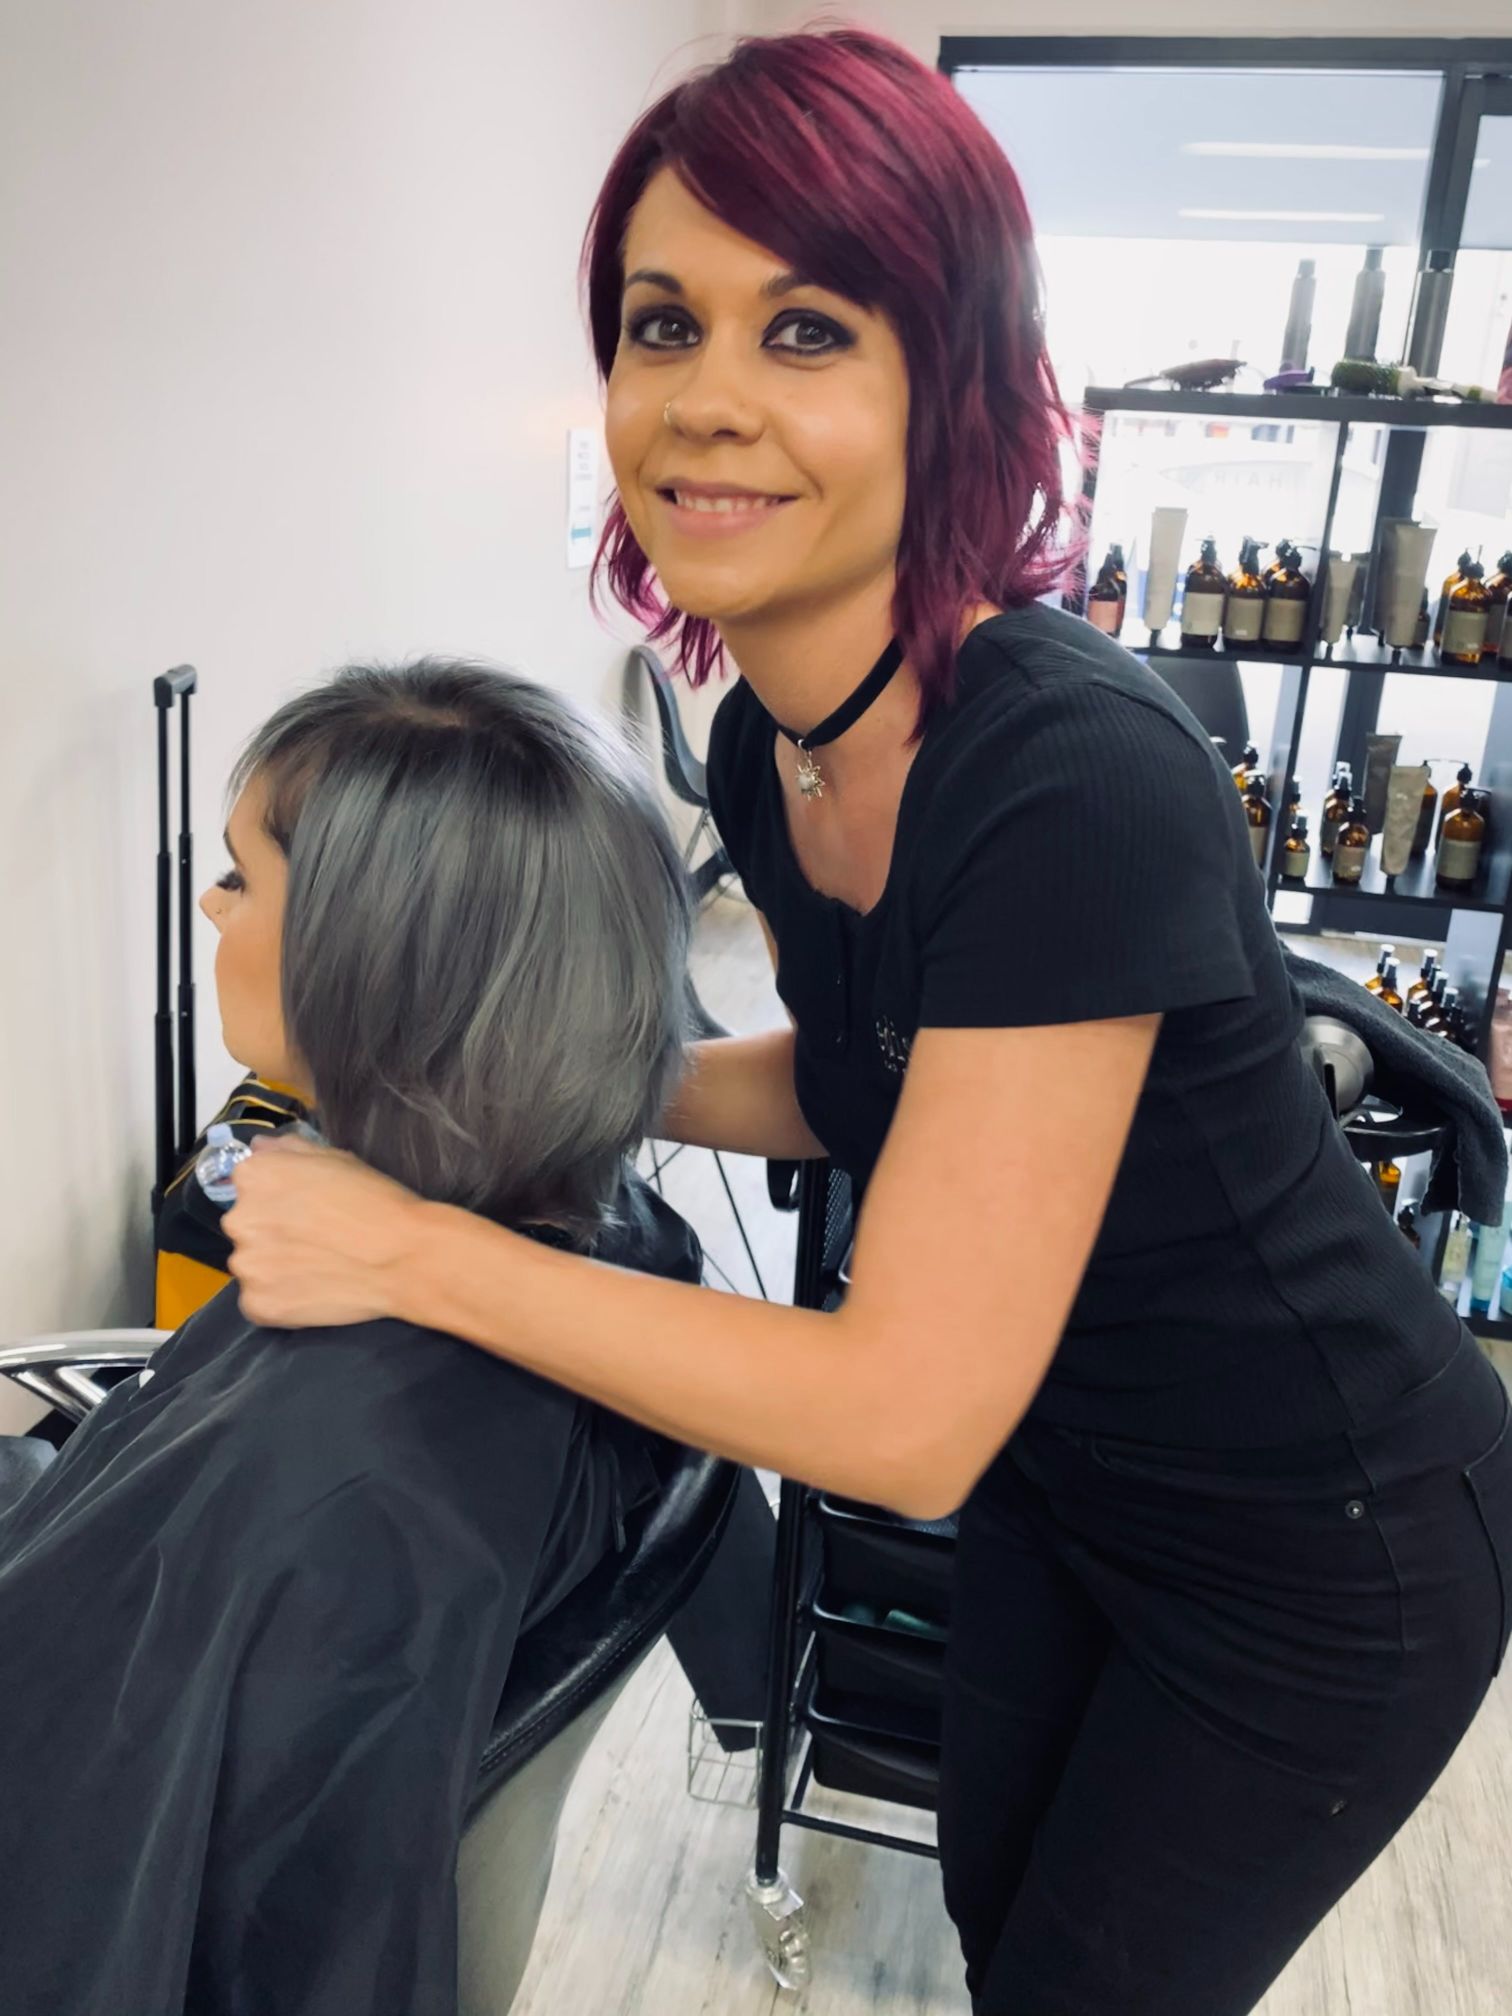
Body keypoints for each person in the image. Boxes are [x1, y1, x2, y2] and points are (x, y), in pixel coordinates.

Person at [221, 30, 1512, 2016]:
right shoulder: (771, 748)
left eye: (809, 327)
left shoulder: (1067, 778)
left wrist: (426, 1248)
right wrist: (536, 1092)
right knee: (1008, 1923)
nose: (711, 398)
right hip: (1073, 1482)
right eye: (665, 323)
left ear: (955, 383)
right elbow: (854, 1085)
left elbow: (904, 1405)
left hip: (1319, 1541)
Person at [0, 659, 703, 2016]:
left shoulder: (342, 1479)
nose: (210, 903)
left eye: (242, 878)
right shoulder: (618, 1253)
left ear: (372, 959)